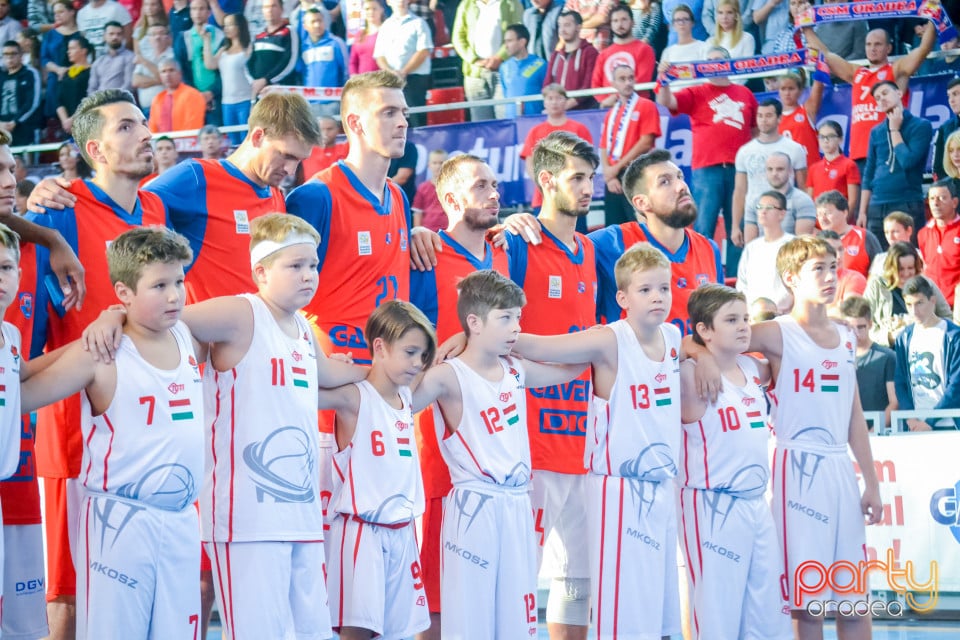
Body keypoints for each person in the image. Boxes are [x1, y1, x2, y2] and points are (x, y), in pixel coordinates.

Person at [690, 235, 882, 640]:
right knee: (807, 602)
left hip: (840, 469)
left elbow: (854, 414)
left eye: (833, 267)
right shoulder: (775, 332)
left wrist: (871, 482)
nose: (830, 277)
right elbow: (700, 337)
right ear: (791, 278)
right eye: (818, 269)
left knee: (854, 600)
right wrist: (701, 356)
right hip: (796, 469)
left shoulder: (847, 336)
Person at [28, 89, 168, 640]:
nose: (146, 134)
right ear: (96, 150)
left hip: (146, 432)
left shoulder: (155, 209)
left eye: (144, 123)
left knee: (138, 589)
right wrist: (35, 218)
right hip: (75, 431)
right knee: (67, 594)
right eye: (127, 127)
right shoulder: (58, 209)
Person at [22, 227, 204, 640]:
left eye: (179, 281)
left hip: (181, 520)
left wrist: (114, 313)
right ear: (123, 292)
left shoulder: (188, 333)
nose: (175, 296)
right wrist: (111, 318)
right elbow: (24, 393)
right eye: (159, 286)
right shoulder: (100, 353)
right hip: (119, 523)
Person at [510, 243, 682, 639]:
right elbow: (542, 346)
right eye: (645, 290)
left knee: (658, 609)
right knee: (624, 611)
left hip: (661, 487)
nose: (657, 297)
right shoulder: (609, 339)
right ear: (622, 299)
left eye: (664, 288)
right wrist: (480, 337)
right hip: (619, 490)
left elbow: (700, 351)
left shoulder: (674, 337)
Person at [412, 269, 583, 640]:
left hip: (517, 504)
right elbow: (392, 403)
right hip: (474, 506)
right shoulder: (446, 376)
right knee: (470, 619)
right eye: (505, 318)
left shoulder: (516, 369)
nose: (516, 328)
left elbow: (574, 367)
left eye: (518, 317)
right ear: (474, 322)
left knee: (517, 617)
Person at [408, 155, 512, 640]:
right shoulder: (424, 256)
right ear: (450, 199)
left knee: (492, 591)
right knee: (435, 590)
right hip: (442, 444)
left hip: (500, 442)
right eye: (480, 186)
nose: (494, 193)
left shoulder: (506, 250)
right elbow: (403, 340)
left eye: (494, 184)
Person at [503, 130, 599, 640]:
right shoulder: (517, 242)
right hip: (531, 439)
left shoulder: (590, 248)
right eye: (576, 177)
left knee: (578, 580)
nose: (587, 188)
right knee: (520, 572)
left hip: (583, 440)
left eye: (591, 177)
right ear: (546, 180)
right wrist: (504, 223)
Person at [678, 284, 792, 640]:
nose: (743, 326)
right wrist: (698, 353)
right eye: (731, 320)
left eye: (745, 318)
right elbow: (662, 350)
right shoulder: (687, 375)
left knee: (766, 613)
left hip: (756, 503)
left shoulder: (753, 368)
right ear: (704, 329)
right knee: (716, 614)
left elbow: (790, 352)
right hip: (712, 504)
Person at [321, 300, 436, 639]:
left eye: (423, 355)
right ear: (380, 347)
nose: (417, 363)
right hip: (363, 533)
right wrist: (341, 368)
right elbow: (296, 388)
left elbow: (448, 360)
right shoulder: (353, 398)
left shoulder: (408, 396)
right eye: (410, 352)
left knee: (397, 634)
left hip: (402, 532)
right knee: (357, 633)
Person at [589, 149, 722, 334]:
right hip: (634, 353)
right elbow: (560, 244)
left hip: (696, 353)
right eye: (665, 182)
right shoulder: (611, 243)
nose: (681, 186)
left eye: (680, 177)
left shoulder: (709, 248)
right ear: (642, 203)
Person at [657, 46, 757, 273]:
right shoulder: (697, 92)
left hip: (739, 171)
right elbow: (666, 101)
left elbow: (754, 131)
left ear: (729, 63)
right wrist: (663, 78)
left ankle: (737, 279)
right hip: (707, 170)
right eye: (709, 61)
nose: (714, 65)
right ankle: (702, 277)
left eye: (719, 60)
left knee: (738, 228)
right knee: (703, 227)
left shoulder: (745, 93)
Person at [801, 21, 935, 171]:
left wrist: (932, 18)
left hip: (886, 152)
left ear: (888, 48)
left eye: (878, 44)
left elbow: (924, 49)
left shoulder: (896, 70)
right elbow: (824, 55)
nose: (872, 48)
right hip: (859, 154)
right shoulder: (857, 72)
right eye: (868, 44)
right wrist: (805, 27)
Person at [857, 81, 933, 245]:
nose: (882, 99)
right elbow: (869, 172)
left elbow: (907, 161)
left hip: (906, 202)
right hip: (877, 205)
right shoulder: (876, 131)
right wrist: (862, 211)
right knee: (879, 256)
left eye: (885, 93)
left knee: (909, 254)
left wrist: (894, 130)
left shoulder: (921, 126)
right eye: (878, 98)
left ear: (899, 93)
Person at [731, 99, 808, 246]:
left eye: (768, 116)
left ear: (779, 118)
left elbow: (803, 188)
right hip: (754, 218)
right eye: (760, 116)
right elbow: (740, 191)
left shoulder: (795, 149)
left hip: (785, 217)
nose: (763, 120)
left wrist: (804, 217)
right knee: (755, 257)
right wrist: (735, 226)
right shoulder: (745, 151)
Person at [893, 275, 960, 432]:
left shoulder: (953, 336)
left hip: (949, 424)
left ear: (933, 300)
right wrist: (910, 417)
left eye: (919, 303)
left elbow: (956, 385)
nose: (914, 311)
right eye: (909, 304)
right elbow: (900, 381)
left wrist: (930, 421)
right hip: (915, 425)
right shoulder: (904, 337)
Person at [599, 64, 660, 227]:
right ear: (613, 84)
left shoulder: (646, 105)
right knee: (615, 228)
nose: (627, 83)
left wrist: (615, 169)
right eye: (622, 79)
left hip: (636, 173)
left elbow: (645, 142)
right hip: (614, 177)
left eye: (631, 78)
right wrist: (609, 175)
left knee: (641, 226)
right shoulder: (611, 113)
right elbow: (603, 146)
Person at [518, 83, 592, 217]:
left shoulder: (579, 129)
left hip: (573, 196)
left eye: (558, 98)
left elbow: (588, 162)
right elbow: (530, 163)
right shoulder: (536, 131)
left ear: (565, 101)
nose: (554, 102)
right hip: (544, 197)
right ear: (544, 102)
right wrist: (543, 184)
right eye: (550, 98)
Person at [864, 241, 951, 348]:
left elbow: (947, 317)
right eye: (900, 269)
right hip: (889, 350)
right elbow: (864, 323)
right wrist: (889, 337)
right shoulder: (877, 286)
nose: (906, 274)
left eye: (910, 268)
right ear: (891, 268)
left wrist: (932, 331)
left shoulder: (927, 284)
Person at [451, 0, 523, 121]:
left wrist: (500, 57)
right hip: (475, 75)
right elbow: (458, 37)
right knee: (480, 123)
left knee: (505, 119)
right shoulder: (466, 4)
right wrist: (474, 60)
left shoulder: (511, 3)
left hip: (504, 72)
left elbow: (519, 32)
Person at [841, 296, 897, 431]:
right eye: (851, 328)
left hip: (879, 434)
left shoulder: (887, 357)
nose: (856, 333)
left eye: (861, 327)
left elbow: (894, 402)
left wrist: (874, 431)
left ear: (870, 324)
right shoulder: (837, 359)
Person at [374, 0, 432, 127]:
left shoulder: (419, 23)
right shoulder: (385, 26)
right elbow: (379, 55)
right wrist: (390, 72)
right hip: (392, 81)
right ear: (388, 2)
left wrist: (404, 71)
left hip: (415, 79)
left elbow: (424, 51)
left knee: (416, 118)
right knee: (395, 120)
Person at [736, 189, 793, 313]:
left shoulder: (792, 244)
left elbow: (795, 282)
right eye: (760, 207)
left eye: (769, 207)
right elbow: (742, 283)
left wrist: (773, 309)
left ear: (782, 214)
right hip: (752, 314)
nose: (763, 211)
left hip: (782, 313)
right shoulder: (752, 247)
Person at [742, 152, 815, 243]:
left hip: (790, 251)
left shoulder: (803, 200)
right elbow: (750, 244)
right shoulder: (755, 201)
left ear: (790, 171)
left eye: (780, 169)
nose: (774, 173)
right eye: (770, 169)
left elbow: (802, 244)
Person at [590, 4, 655, 107]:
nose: (620, 24)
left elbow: (641, 81)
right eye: (615, 21)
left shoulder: (645, 49)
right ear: (610, 25)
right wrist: (605, 101)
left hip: (637, 106)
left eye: (624, 19)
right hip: (608, 108)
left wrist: (614, 98)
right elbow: (595, 85)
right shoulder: (603, 54)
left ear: (632, 22)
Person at [204, 12, 251, 144]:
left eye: (230, 25)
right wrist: (207, 41)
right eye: (225, 25)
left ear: (240, 26)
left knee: (246, 139)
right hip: (227, 102)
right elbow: (210, 64)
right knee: (232, 140)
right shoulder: (224, 50)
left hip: (245, 99)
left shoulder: (248, 47)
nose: (226, 29)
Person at [174, 0, 223, 124]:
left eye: (201, 9)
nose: (197, 13)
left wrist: (212, 92)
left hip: (217, 98)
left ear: (209, 12)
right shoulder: (183, 38)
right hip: (193, 97)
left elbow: (224, 70)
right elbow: (182, 70)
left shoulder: (220, 36)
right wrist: (197, 95)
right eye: (194, 9)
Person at [815, 190, 880, 278]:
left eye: (827, 213)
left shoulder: (864, 237)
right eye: (819, 214)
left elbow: (880, 271)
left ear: (844, 213)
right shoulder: (815, 242)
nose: (823, 219)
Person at [543, 10, 599, 111]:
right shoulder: (555, 56)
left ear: (578, 27)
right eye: (560, 26)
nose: (562, 30)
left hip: (583, 113)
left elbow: (589, 85)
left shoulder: (590, 52)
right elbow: (547, 85)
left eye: (567, 25)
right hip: (559, 112)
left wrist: (564, 106)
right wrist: (553, 105)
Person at [298, 7, 348, 117]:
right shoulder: (302, 47)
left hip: (332, 102)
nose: (317, 25)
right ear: (305, 26)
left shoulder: (336, 43)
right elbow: (301, 74)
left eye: (319, 21)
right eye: (313, 22)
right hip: (309, 104)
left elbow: (345, 71)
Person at [918, 179, 960, 308]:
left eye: (942, 198)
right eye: (932, 199)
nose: (935, 203)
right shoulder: (923, 233)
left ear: (954, 202)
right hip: (933, 305)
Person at [247, 0, 299, 99]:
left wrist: (267, 80)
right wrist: (254, 82)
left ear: (282, 9)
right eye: (266, 7)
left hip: (281, 93)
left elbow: (289, 61)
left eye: (273, 6)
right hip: (260, 93)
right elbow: (249, 62)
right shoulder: (259, 35)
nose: (269, 10)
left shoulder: (289, 31)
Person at [806, 119, 860, 209]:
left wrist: (845, 217)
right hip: (818, 216)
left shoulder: (849, 165)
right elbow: (810, 199)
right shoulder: (813, 168)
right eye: (822, 137)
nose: (826, 140)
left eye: (830, 136)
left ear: (840, 139)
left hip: (840, 215)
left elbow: (853, 201)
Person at [40, 0, 78, 123]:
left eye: (61, 11)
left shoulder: (81, 33)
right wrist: (58, 69)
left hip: (76, 79)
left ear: (72, 12)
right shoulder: (50, 35)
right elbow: (44, 58)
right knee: (54, 120)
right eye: (55, 13)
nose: (57, 15)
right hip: (55, 79)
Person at [147, 56, 208, 133]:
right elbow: (152, 129)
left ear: (180, 73)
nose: (167, 75)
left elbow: (193, 127)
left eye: (171, 70)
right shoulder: (157, 99)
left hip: (186, 139)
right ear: (160, 76)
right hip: (162, 140)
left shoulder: (192, 94)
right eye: (163, 71)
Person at [500, 24, 547, 119]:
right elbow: (506, 94)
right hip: (511, 122)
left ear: (522, 42)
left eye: (509, 41)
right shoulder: (504, 67)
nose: (506, 46)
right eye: (505, 41)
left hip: (536, 121)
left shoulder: (541, 65)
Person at [777, 69, 822, 171]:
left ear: (800, 91)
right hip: (787, 173)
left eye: (791, 88)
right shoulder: (775, 118)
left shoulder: (806, 110)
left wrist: (820, 63)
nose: (787, 93)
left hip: (810, 170)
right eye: (783, 89)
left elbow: (819, 85)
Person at [0, 40, 41, 147]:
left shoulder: (30, 73)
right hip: (1, 129)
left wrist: (15, 121)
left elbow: (33, 102)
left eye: (13, 53)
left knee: (23, 157)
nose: (9, 57)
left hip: (24, 129)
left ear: (21, 55)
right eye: (6, 54)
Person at [133, 23, 174, 120]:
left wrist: (144, 62)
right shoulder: (145, 55)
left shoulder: (172, 55)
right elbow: (135, 81)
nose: (157, 37)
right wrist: (159, 80)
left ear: (168, 38)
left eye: (161, 33)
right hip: (146, 110)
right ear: (148, 39)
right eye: (153, 34)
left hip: (167, 108)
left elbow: (169, 79)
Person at [818, 229, 866, 310]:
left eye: (840, 249)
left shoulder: (854, 278)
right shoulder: (809, 278)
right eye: (832, 250)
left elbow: (849, 312)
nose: (838, 256)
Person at [55, 35, 92, 136]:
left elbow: (90, 98)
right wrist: (65, 121)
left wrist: (74, 119)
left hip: (86, 123)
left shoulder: (91, 72)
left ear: (83, 51)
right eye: (68, 49)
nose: (68, 52)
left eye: (72, 48)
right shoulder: (66, 73)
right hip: (68, 127)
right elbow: (59, 101)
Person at [86, 21, 134, 94]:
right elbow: (92, 87)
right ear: (104, 36)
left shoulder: (130, 57)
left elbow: (129, 85)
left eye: (119, 34)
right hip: (100, 99)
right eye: (111, 34)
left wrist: (112, 98)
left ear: (123, 37)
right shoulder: (99, 60)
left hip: (121, 98)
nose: (115, 37)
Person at [411, 148, 447, 230]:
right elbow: (418, 213)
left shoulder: (453, 187)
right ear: (429, 165)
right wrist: (418, 232)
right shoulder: (422, 187)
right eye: (434, 163)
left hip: (448, 231)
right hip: (428, 231)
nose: (438, 166)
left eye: (441, 163)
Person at [868, 211, 913, 275]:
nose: (890, 237)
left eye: (895, 231)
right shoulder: (879, 259)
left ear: (909, 231)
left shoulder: (921, 257)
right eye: (886, 232)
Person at [933, 77, 960, 181]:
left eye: (956, 94)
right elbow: (938, 167)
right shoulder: (945, 128)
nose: (951, 100)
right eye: (949, 96)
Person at [349, 0, 385, 75]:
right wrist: (354, 76)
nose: (371, 12)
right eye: (367, 9)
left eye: (374, 9)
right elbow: (353, 62)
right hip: (362, 80)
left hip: (381, 79)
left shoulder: (387, 32)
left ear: (381, 10)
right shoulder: (359, 35)